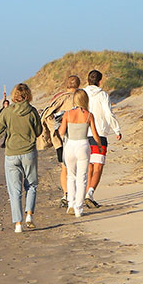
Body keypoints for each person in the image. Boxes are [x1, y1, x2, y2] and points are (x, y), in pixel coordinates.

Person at [0, 83, 43, 233]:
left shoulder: (7, 112)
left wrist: (9, 132)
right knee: (31, 185)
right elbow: (39, 131)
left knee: (14, 191)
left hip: (11, 153)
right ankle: (29, 214)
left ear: (14, 95)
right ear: (28, 95)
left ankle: (18, 224)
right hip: (29, 152)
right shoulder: (32, 111)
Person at [58, 89, 101, 217]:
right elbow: (95, 134)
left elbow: (61, 132)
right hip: (83, 145)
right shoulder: (89, 115)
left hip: (70, 145)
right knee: (82, 178)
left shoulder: (68, 114)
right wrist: (99, 145)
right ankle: (79, 208)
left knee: (71, 176)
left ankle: (71, 203)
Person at [40, 75, 81, 208]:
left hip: (61, 140)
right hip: (78, 138)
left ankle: (66, 194)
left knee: (64, 167)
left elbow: (46, 114)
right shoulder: (81, 97)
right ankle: (76, 194)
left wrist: (54, 130)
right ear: (79, 85)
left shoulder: (60, 98)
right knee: (77, 168)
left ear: (67, 85)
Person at [83, 70, 122, 208]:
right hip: (99, 134)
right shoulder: (103, 95)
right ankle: (90, 193)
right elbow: (108, 114)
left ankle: (86, 194)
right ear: (100, 81)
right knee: (98, 167)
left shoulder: (82, 93)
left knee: (89, 166)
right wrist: (116, 129)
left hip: (84, 134)